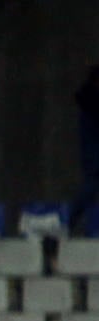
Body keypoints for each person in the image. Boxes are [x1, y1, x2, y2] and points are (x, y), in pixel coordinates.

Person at [68, 65, 99, 235]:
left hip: (92, 155)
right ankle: (72, 222)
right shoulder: (92, 102)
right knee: (89, 190)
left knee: (89, 190)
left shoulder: (88, 101)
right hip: (94, 155)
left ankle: (75, 223)